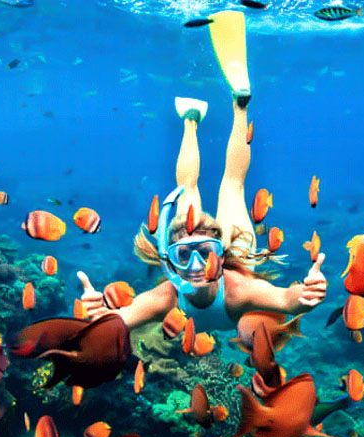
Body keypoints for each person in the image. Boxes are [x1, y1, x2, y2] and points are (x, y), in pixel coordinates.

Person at [77, 10, 327, 334]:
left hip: (235, 260)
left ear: (220, 256)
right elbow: (118, 321)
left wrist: (305, 297)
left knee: (197, 187)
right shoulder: (166, 295)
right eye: (185, 255)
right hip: (242, 252)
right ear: (172, 262)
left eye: (204, 253)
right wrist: (100, 317)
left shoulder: (238, 289)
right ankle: (226, 108)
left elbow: (287, 300)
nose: (196, 266)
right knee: (231, 187)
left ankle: (202, 115)